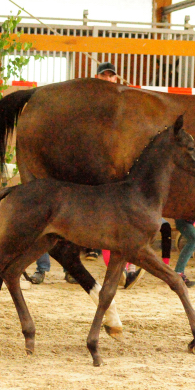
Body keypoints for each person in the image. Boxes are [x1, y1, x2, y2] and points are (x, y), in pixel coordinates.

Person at [29, 61, 119, 284]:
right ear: (96, 78)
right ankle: (43, 267)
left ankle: (71, 267)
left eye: (111, 76)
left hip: (90, 171)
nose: (107, 80)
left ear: (116, 79)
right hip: (69, 164)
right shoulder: (83, 100)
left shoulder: (119, 105)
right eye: (104, 76)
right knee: (45, 213)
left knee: (74, 219)